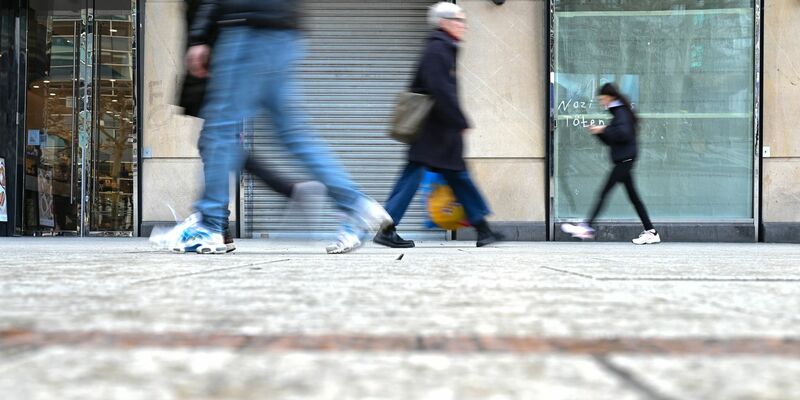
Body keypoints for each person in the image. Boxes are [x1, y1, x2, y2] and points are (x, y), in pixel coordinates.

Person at [170, 0, 391, 254]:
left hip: (246, 24)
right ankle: (355, 204)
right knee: (292, 133)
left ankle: (210, 226)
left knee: (220, 128)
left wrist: (199, 34)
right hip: (285, 29)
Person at [174, 0, 324, 253]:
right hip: (223, 48)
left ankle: (214, 224)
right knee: (219, 140)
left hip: (221, 52)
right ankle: (218, 223)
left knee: (217, 139)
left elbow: (208, 6)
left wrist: (199, 39)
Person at [372, 2, 504, 249]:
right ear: (444, 22)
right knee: (424, 176)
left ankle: (483, 230)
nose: (463, 26)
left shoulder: (443, 47)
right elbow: (440, 89)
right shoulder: (437, 49)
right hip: (434, 130)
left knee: (456, 177)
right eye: (458, 20)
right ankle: (387, 229)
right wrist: (459, 120)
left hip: (437, 130)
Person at [561, 83, 660, 245]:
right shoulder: (619, 112)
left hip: (624, 160)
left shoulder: (621, 112)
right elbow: (613, 139)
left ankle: (587, 226)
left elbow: (624, 133)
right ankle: (651, 231)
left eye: (602, 99)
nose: (601, 102)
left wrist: (603, 129)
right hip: (624, 160)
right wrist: (598, 133)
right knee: (634, 199)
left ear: (610, 97)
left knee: (603, 193)